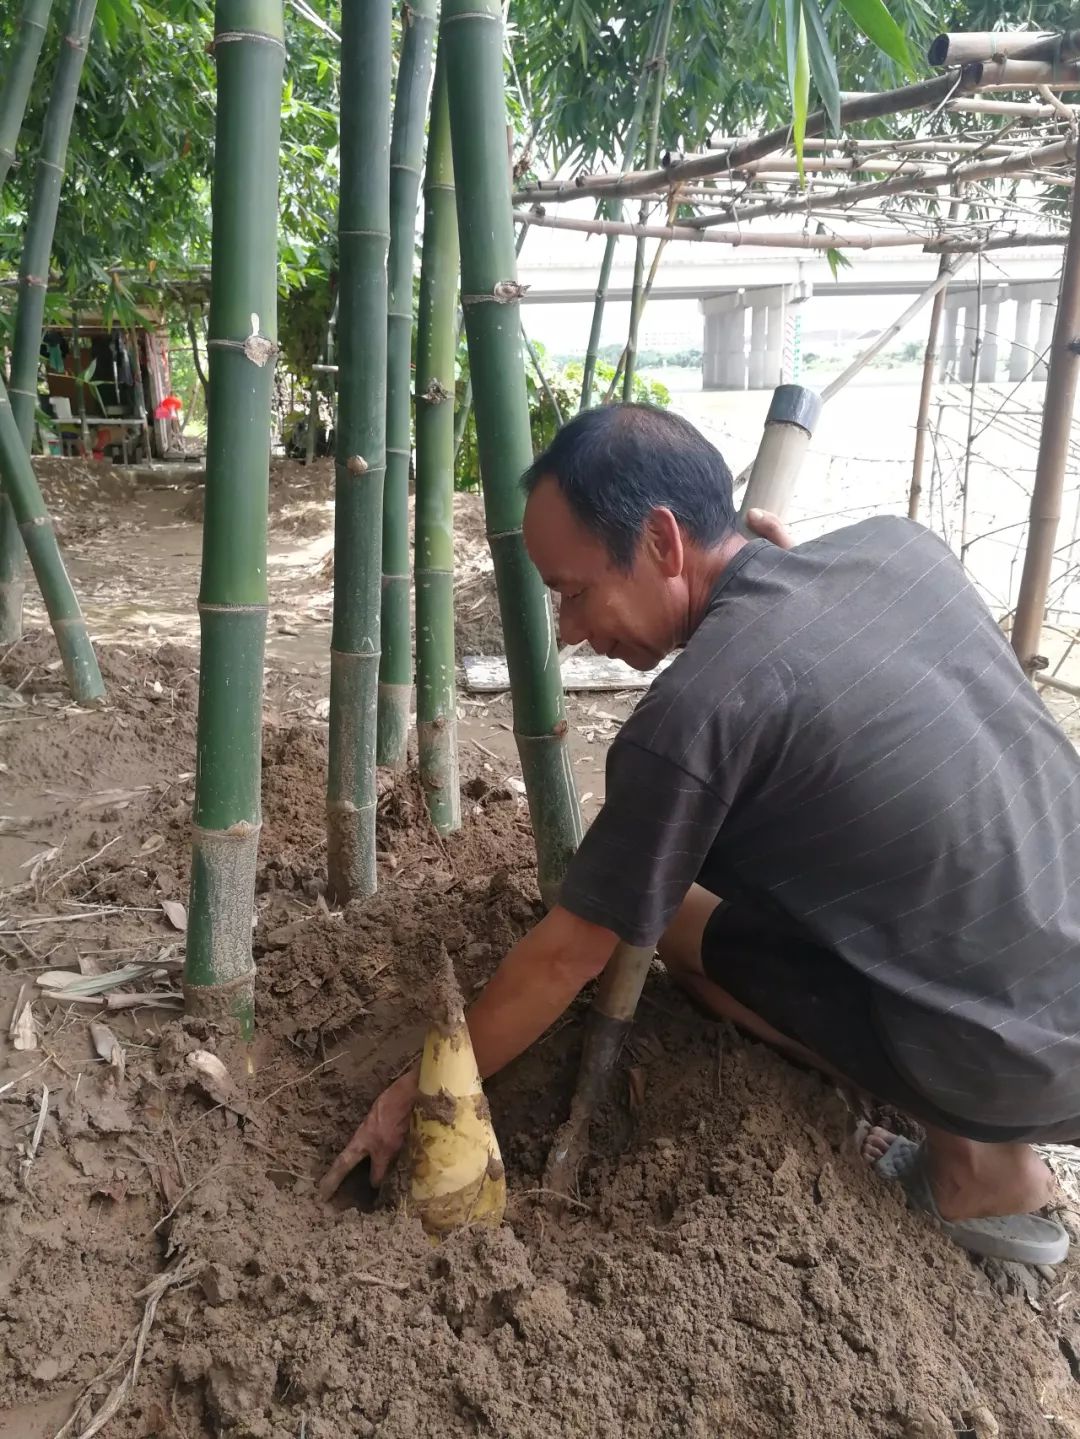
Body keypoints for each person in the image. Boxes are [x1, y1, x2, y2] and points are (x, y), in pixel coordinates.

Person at [321, 402, 1079, 1264]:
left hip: (1020, 1066)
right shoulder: (900, 551)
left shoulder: (692, 718)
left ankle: (977, 1170)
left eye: (575, 591)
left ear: (662, 541)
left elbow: (567, 958)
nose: (571, 631)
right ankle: (983, 1127)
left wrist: (411, 1094)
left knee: (677, 925)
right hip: (1059, 984)